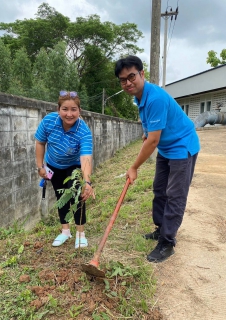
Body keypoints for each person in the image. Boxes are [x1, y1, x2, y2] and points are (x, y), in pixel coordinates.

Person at [114, 56, 200, 263]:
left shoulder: (155, 98)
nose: (128, 83)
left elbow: (152, 142)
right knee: (159, 188)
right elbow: (151, 131)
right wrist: (147, 133)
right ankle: (161, 228)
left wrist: (133, 166)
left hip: (182, 146)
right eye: (123, 80)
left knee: (175, 194)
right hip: (166, 147)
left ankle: (167, 242)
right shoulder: (140, 97)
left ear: (142, 74)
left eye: (131, 76)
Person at [34, 91, 95, 249]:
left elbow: (86, 158)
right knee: (61, 196)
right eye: (65, 109)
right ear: (58, 109)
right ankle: (65, 231)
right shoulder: (49, 121)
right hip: (53, 165)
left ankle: (80, 234)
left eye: (74, 109)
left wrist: (87, 181)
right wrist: (40, 166)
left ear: (79, 111)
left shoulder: (83, 131)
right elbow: (40, 142)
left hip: (73, 166)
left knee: (77, 196)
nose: (69, 114)